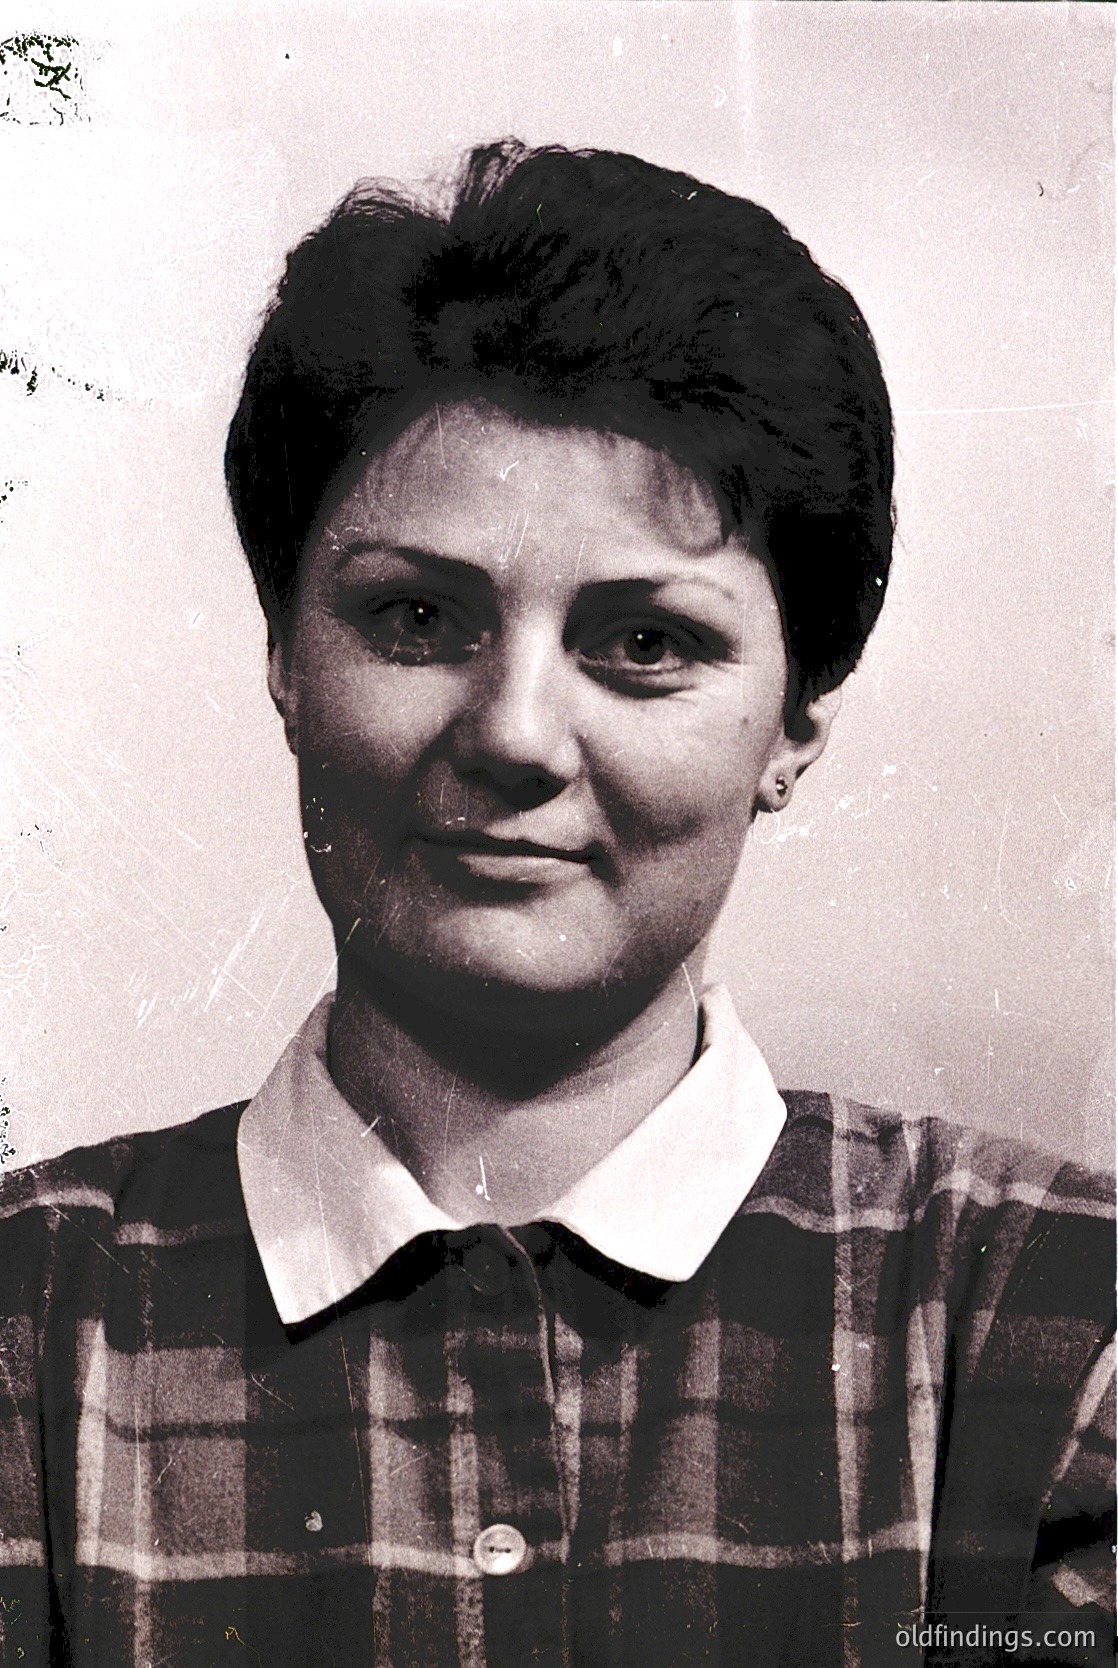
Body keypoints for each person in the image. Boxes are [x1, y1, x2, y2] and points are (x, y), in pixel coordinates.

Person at [0, 139, 1111, 1668]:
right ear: (283, 656)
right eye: (416, 616)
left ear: (797, 718)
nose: (516, 735)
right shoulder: (24, 1325)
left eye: (644, 643)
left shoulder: (1060, 1327)